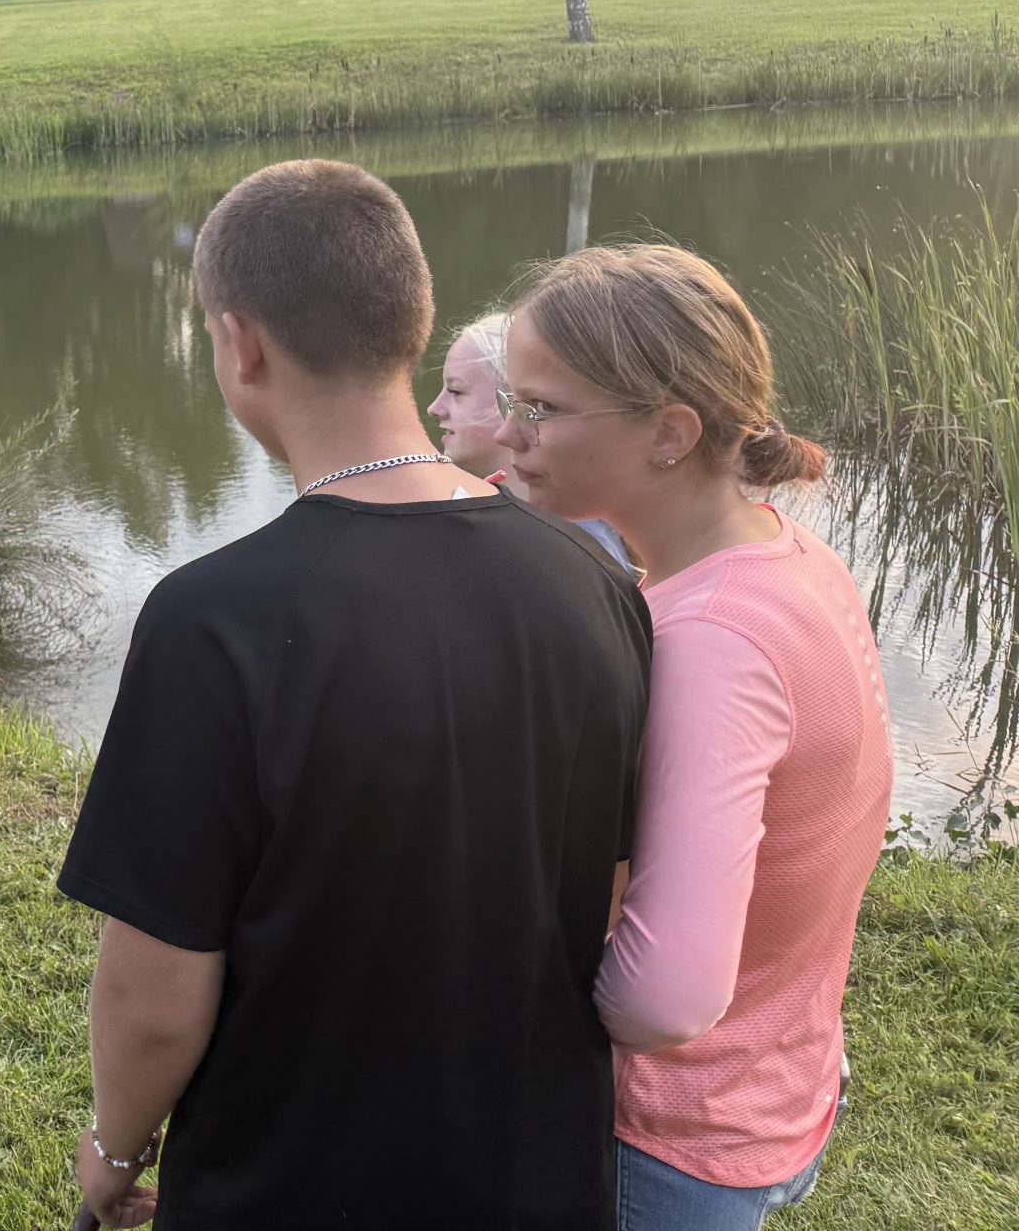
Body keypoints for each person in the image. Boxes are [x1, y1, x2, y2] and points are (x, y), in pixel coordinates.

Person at [59, 160, 651, 1229]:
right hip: (535, 1180)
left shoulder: (211, 622)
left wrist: (114, 1147)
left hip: (290, 1189)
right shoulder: (596, 583)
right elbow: (604, 897)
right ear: (411, 327)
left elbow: (153, 1000)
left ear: (239, 344)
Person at [498, 246, 893, 1227]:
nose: (508, 433)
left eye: (541, 408)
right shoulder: (790, 556)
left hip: (670, 1144)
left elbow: (664, 1000)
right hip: (781, 1086)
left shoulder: (705, 643)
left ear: (670, 432)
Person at [431, 309, 634, 569]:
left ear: (516, 396)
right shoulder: (476, 512)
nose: (435, 408)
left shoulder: (575, 537)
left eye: (456, 391)